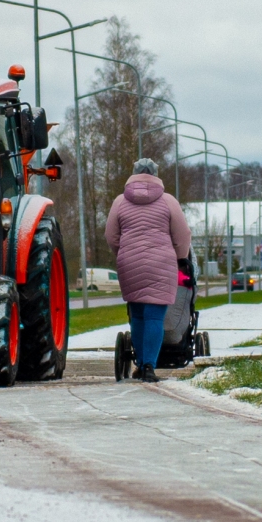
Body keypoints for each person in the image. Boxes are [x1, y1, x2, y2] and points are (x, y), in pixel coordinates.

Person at [105, 158, 192, 382]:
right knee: (155, 317)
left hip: (129, 261)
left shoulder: (119, 202)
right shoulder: (168, 201)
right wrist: (180, 257)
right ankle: (148, 367)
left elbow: (111, 236)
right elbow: (182, 236)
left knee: (137, 315)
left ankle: (140, 363)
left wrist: (123, 251)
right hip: (162, 263)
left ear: (133, 174)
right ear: (155, 174)